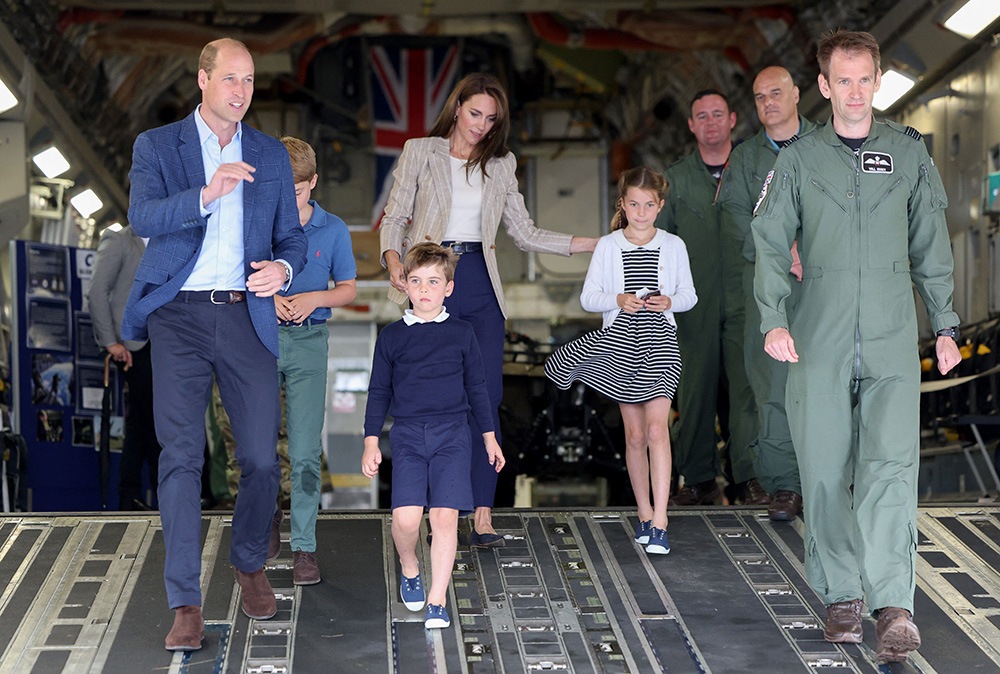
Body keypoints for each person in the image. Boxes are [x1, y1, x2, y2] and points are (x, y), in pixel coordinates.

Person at [751, 30, 961, 662]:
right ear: (822, 86)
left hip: (894, 332)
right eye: (840, 80)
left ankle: (893, 604)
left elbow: (931, 241)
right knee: (823, 466)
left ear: (877, 81)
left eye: (863, 79)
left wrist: (946, 324)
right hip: (818, 330)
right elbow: (767, 239)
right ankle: (842, 593)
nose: (853, 91)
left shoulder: (908, 153)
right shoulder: (799, 160)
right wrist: (772, 319)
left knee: (891, 467)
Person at [121, 37, 308, 652]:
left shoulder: (270, 155)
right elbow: (142, 218)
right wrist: (206, 193)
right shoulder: (158, 146)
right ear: (202, 80)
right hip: (178, 315)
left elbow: (293, 240)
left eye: (250, 81)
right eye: (230, 79)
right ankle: (185, 602)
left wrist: (281, 271)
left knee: (259, 461)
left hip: (245, 315)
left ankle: (248, 562)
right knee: (181, 458)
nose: (241, 91)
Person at [379, 73, 596, 546]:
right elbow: (395, 217)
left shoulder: (501, 163)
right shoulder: (420, 150)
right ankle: (440, 511)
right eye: (474, 113)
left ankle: (481, 513)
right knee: (427, 396)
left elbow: (526, 233)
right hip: (429, 278)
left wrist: (596, 244)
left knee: (485, 397)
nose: (481, 125)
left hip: (478, 280)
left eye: (491, 118)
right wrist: (394, 260)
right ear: (457, 108)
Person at [545, 167, 696, 554]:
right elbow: (588, 298)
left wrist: (669, 302)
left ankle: (661, 520)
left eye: (649, 205)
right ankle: (644, 514)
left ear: (660, 207)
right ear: (623, 205)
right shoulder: (609, 246)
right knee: (635, 435)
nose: (641, 212)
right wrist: (618, 300)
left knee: (658, 430)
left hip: (661, 341)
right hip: (620, 343)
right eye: (634, 204)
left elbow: (689, 296)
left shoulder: (674, 245)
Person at [362, 242, 505, 629]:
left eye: (433, 281)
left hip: (453, 435)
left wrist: (490, 437)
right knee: (407, 521)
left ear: (449, 288)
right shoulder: (392, 337)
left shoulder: (462, 333)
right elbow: (378, 391)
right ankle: (410, 568)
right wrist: (371, 440)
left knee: (444, 519)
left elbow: (477, 387)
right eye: (416, 281)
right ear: (405, 286)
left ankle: (437, 600)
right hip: (408, 436)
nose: (424, 289)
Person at [718, 67, 817, 521]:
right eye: (759, 97)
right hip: (769, 289)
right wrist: (784, 254)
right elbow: (737, 219)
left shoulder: (830, 144)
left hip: (823, 288)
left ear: (798, 94)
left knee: (831, 385)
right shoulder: (743, 160)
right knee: (772, 388)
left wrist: (809, 250)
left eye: (776, 93)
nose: (768, 102)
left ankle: (831, 479)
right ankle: (784, 486)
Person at [654, 90, 762, 506]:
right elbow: (658, 245)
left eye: (718, 114)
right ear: (692, 126)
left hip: (745, 300)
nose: (711, 122)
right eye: (703, 116)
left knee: (746, 391)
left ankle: (749, 477)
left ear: (733, 119)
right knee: (694, 391)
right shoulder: (675, 180)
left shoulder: (755, 173)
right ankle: (699, 478)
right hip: (691, 306)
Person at [274, 136, 357, 585]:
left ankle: (303, 546)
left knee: (305, 451)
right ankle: (265, 518)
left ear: (314, 184)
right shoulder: (258, 222)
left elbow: (348, 288)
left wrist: (313, 299)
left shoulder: (334, 229)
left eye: (299, 192)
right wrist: (268, 304)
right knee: (258, 447)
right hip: (261, 340)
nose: (290, 201)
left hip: (309, 341)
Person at [87, 224, 159, 510]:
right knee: (155, 417)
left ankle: (129, 494)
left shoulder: (167, 239)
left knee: (141, 419)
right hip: (130, 345)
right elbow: (96, 292)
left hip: (160, 342)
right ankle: (159, 491)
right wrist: (110, 343)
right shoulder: (118, 239)